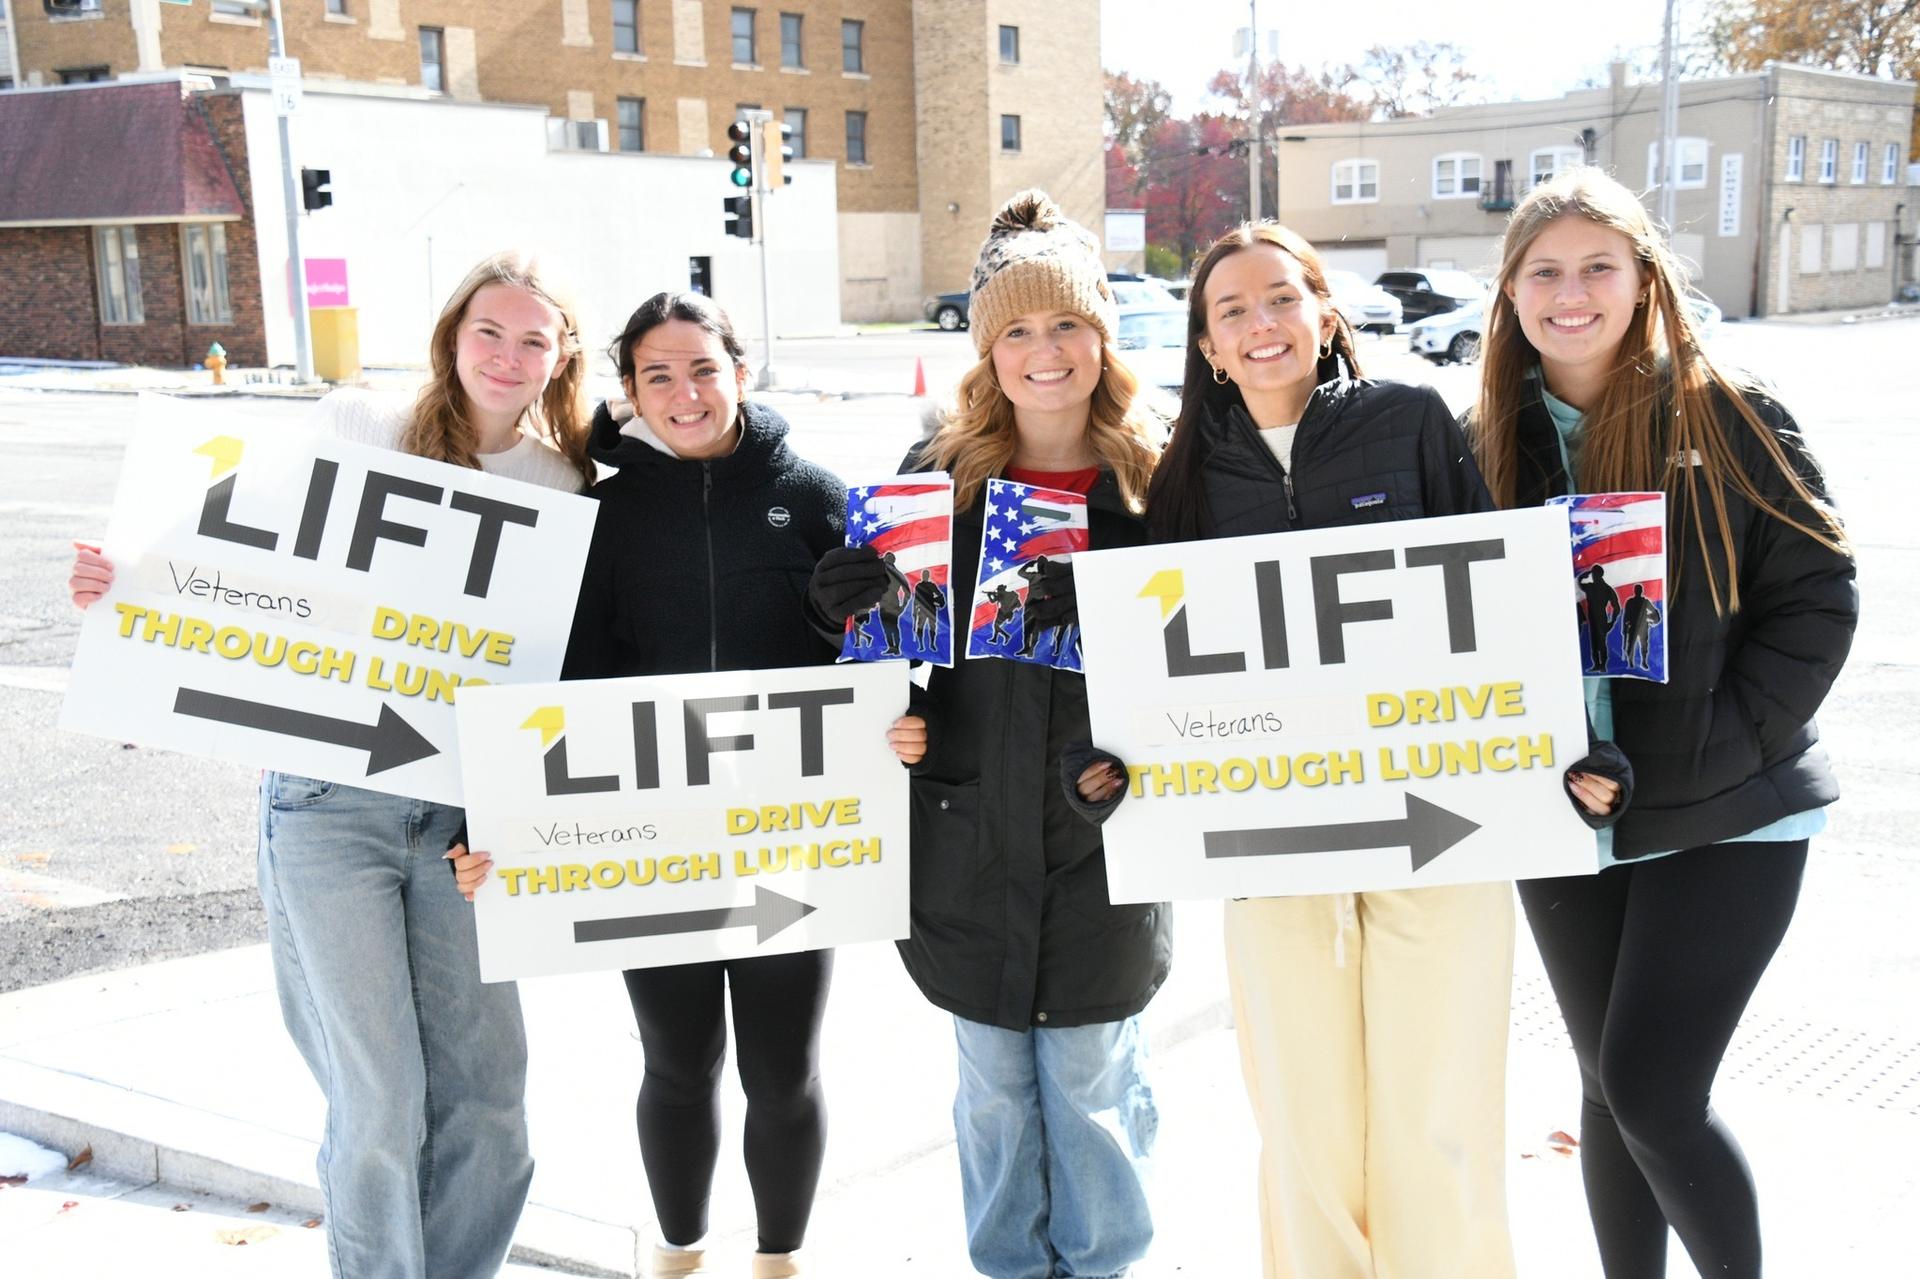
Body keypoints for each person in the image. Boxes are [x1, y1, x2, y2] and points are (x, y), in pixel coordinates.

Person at [69, 250, 594, 1279]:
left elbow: (560, 659)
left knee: (491, 1104)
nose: (507, 354)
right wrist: (121, 580)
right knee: (379, 1103)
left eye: (533, 338)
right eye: (488, 330)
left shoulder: (564, 482)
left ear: (562, 355)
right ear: (452, 336)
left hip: (464, 824)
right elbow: (229, 542)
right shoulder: (361, 425)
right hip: (327, 807)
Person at [1142, 221, 1628, 1279]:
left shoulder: (1409, 421)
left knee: (1438, 1110)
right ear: (1208, 347)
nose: (1262, 323)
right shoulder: (1182, 479)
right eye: (1233, 310)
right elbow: (1150, 675)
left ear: (1325, 313)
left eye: (1283, 297)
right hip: (1273, 841)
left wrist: (1575, 744)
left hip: (1441, 832)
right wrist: (1115, 778)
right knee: (1304, 1123)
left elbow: (1501, 606)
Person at [1465, 168, 1857, 1279]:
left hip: (1727, 807)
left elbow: (1816, 599)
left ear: (1644, 278)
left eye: (1599, 266)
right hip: (1562, 813)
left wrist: (1714, 746)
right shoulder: (1482, 439)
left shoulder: (1728, 412)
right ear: (1509, 291)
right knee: (1605, 1090)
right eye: (1544, 271)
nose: (1571, 293)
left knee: (1652, 1088)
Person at [806, 190, 1169, 1279]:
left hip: (1109, 830)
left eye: (1067, 324)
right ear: (986, 351)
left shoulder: (1160, 478)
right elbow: (891, 663)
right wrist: (850, 627)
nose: (1043, 352)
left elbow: (1216, 648)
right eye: (1016, 330)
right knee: (997, 1093)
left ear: (1102, 336)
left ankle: (1106, 1265)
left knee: (1093, 1085)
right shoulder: (940, 475)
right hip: (968, 835)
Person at [458, 290, 845, 1279]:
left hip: (791, 835)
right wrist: (495, 815)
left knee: (782, 1071)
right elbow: (555, 682)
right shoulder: (602, 517)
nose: (686, 393)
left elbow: (881, 660)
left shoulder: (815, 497)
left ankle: (779, 1263)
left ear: (741, 372)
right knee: (677, 1063)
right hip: (651, 840)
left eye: (704, 368)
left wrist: (894, 692)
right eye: (657, 375)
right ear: (629, 391)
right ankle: (678, 1256)